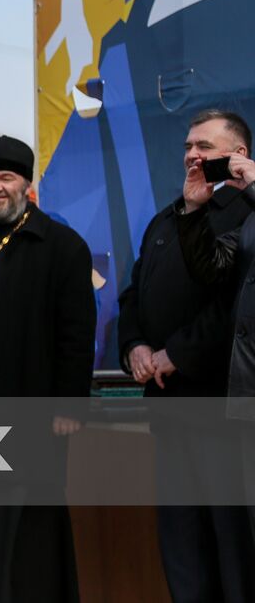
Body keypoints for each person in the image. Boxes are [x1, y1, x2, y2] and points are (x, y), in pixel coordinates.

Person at [0, 136, 96, 603]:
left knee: (27, 525)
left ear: (26, 185)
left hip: (31, 411)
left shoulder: (61, 246)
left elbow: (77, 332)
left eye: (6, 178)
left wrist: (69, 404)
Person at [159, 111, 255, 600]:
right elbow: (213, 271)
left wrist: (253, 185)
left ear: (238, 155)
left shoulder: (248, 202)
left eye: (205, 147)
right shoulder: (186, 211)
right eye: (188, 146)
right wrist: (194, 213)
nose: (193, 156)